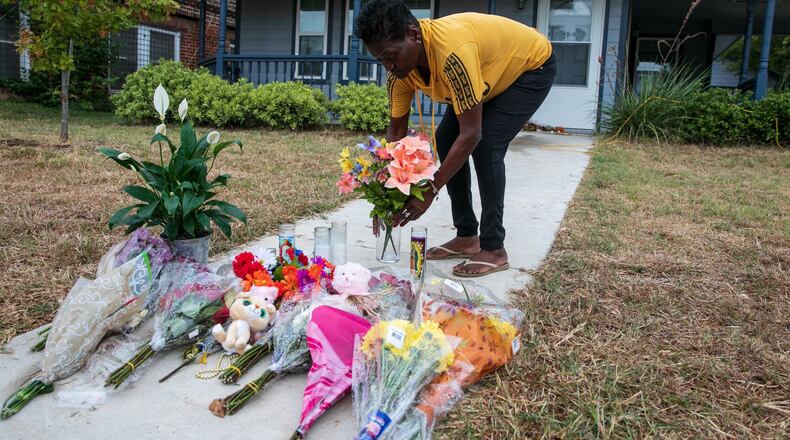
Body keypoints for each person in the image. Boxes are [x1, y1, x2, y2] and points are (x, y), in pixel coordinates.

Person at [356, 0, 555, 277]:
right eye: (381, 60)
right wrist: (387, 193)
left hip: (530, 67)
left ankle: (494, 248)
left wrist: (430, 191)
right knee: (446, 139)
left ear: (413, 34)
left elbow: (472, 134)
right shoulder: (400, 73)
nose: (389, 66)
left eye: (391, 56)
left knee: (486, 147)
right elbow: (395, 135)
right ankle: (466, 236)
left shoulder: (452, 55)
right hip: (487, 72)